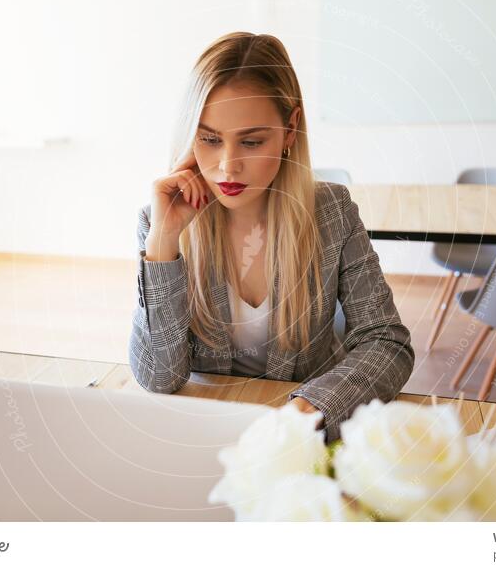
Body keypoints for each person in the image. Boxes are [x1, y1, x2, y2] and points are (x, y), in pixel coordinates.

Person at [129, 32, 414, 441]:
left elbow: (388, 342)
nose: (228, 166)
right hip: (206, 433)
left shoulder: (331, 211)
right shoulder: (160, 221)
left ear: (290, 129)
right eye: (209, 139)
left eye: (251, 140)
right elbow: (159, 377)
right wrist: (163, 243)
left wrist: (311, 408)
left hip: (304, 434)